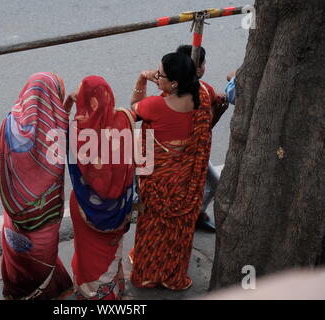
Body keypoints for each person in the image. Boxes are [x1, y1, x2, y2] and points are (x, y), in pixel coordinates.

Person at [129, 52, 212, 290]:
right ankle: (172, 277)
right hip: (188, 181)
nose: (157, 77)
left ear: (174, 83)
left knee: (153, 231)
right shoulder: (202, 99)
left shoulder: (155, 106)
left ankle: (148, 275)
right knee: (177, 234)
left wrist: (142, 79)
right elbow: (215, 96)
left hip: (159, 183)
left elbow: (133, 108)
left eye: (160, 74)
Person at [0, 72, 73, 300]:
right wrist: (66, 105)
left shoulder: (9, 123)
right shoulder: (57, 128)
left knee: (20, 257)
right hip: (45, 218)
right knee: (40, 260)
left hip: (16, 214)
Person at [67, 75, 135, 300]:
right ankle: (111, 291)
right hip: (118, 208)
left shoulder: (76, 131)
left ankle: (90, 292)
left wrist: (68, 102)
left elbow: (57, 132)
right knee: (112, 251)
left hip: (87, 208)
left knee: (87, 253)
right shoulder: (125, 119)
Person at [176, 45, 230, 232]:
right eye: (204, 63)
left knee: (213, 184)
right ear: (198, 69)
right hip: (184, 158)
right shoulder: (203, 92)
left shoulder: (204, 91)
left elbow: (205, 127)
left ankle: (197, 214)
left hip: (195, 155)